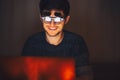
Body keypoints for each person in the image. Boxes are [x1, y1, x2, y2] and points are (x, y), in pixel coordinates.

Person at [22, 0, 93, 80]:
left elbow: (87, 76)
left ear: (66, 19)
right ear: (41, 18)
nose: (52, 24)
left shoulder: (76, 43)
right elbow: (23, 75)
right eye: (47, 18)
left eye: (58, 19)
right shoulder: (32, 43)